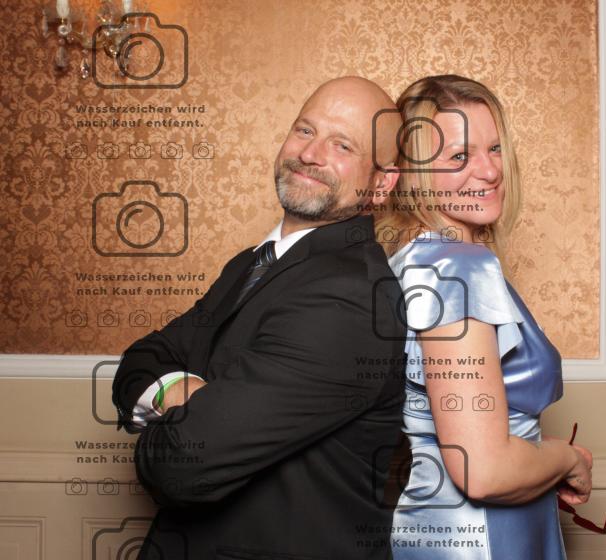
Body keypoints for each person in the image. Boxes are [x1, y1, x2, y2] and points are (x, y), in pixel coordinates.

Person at [111, 76, 408, 560]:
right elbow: (142, 357)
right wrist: (177, 391)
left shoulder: (352, 297)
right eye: (305, 130)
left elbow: (180, 465)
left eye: (342, 145)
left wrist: (183, 417)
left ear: (381, 184)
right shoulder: (251, 264)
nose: (310, 154)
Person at [374, 74, 593, 559]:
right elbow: (483, 471)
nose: (490, 171)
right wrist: (566, 460)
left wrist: (532, 455)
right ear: (413, 174)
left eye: (495, 149)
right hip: (480, 538)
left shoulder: (418, 259)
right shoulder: (458, 268)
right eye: (459, 157)